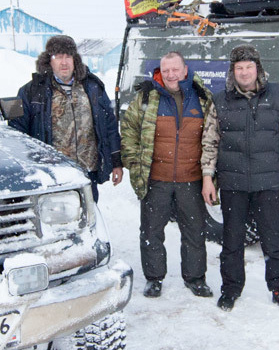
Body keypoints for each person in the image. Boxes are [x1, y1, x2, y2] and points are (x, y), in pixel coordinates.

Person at [201, 44, 279, 313]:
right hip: (233, 184)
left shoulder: (278, 97)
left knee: (274, 240)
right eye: (239, 68)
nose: (244, 72)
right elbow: (210, 141)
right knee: (232, 241)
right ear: (232, 72)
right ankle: (231, 289)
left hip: (268, 182)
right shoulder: (220, 101)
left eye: (249, 67)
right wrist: (208, 177)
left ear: (257, 69)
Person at [120, 51, 216, 299]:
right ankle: (154, 278)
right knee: (151, 232)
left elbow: (213, 138)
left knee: (195, 231)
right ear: (160, 72)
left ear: (185, 70)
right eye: (166, 70)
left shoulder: (203, 99)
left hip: (191, 179)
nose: (171, 74)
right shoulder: (146, 98)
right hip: (156, 179)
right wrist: (133, 161)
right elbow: (129, 128)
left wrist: (210, 174)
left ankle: (195, 278)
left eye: (176, 69)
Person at [11, 34, 123, 200]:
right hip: (53, 175)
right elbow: (17, 133)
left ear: (75, 59)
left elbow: (109, 126)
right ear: (49, 60)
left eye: (68, 56)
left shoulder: (92, 87)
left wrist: (116, 162)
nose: (64, 62)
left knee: (88, 219)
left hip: (87, 173)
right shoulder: (32, 91)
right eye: (58, 57)